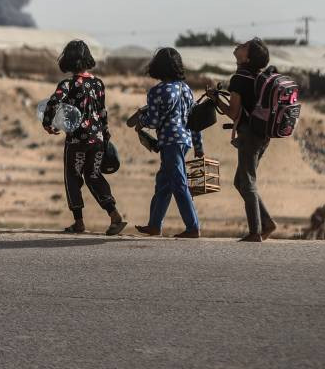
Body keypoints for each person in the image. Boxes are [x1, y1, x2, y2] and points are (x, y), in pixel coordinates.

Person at [42, 40, 127, 236]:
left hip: (76, 141)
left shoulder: (68, 85)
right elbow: (103, 112)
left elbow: (54, 102)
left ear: (68, 60)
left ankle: (79, 222)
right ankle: (114, 215)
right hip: (97, 140)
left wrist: (48, 124)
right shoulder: (98, 84)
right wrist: (105, 135)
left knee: (72, 177)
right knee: (94, 175)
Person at [209, 38, 276, 242]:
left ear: (247, 57)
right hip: (263, 135)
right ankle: (267, 223)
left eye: (245, 46)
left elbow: (232, 113)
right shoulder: (257, 77)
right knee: (241, 181)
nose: (239, 45)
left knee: (246, 182)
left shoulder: (239, 78)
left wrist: (214, 98)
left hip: (250, 136)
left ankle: (255, 231)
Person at [133, 47, 202, 239]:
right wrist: (198, 145)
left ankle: (193, 226)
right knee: (164, 183)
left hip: (170, 141)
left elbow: (154, 120)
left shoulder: (157, 91)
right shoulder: (187, 90)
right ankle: (154, 225)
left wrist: (140, 123)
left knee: (179, 183)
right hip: (185, 140)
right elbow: (194, 120)